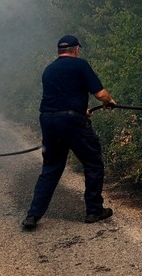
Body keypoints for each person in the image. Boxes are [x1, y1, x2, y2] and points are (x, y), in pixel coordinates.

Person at [22, 35, 117, 231]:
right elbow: (101, 94)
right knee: (93, 163)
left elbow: (60, 99)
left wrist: (82, 110)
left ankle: (33, 215)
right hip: (72, 122)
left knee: (51, 167)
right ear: (76, 49)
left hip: (49, 120)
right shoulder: (80, 65)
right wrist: (108, 102)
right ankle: (93, 211)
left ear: (60, 51)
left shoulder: (48, 70)